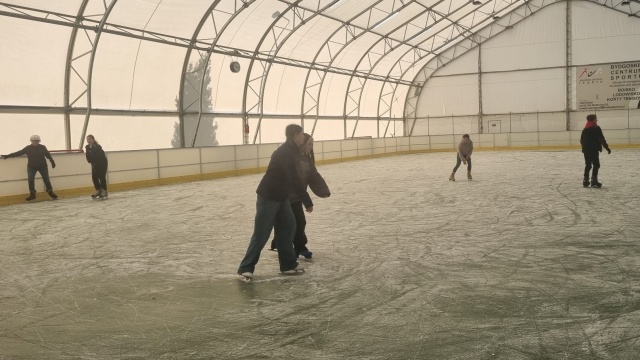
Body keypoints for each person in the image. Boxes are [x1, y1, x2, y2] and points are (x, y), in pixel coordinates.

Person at [237, 124, 313, 281]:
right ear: (294, 135)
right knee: (262, 233)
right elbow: (293, 178)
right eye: (300, 134)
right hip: (269, 196)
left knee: (288, 227)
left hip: (282, 196)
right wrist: (306, 200)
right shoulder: (285, 153)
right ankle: (245, 268)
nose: (303, 137)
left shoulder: (292, 151)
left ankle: (287, 264)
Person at [269, 133, 331, 259]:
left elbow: (314, 175)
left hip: (297, 196)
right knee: (289, 223)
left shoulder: (307, 158)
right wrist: (306, 200)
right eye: (309, 144)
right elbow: (291, 178)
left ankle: (299, 246)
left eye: (312, 144)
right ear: (302, 143)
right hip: (284, 196)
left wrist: (323, 190)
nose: (311, 146)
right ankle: (285, 246)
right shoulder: (292, 157)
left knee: (300, 222)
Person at [1, 135, 58, 201]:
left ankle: (50, 191)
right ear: (31, 141)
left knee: (46, 179)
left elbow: (48, 155)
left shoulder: (42, 147)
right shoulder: (28, 148)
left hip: (43, 166)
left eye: (36, 141)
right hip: (31, 167)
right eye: (33, 141)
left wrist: (52, 162)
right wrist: (8, 156)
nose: (35, 142)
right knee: (30, 179)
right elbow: (19, 153)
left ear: (39, 141)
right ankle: (32, 193)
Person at [581, 114, 611, 188]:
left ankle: (585, 180)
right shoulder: (596, 128)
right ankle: (594, 180)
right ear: (593, 120)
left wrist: (584, 148)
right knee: (596, 164)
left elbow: (581, 140)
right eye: (596, 119)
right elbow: (600, 138)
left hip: (586, 149)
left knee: (588, 164)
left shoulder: (585, 129)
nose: (597, 120)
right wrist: (606, 147)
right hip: (593, 149)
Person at [85, 135, 109, 199]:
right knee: (94, 177)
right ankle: (98, 190)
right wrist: (91, 162)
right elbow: (88, 156)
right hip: (94, 164)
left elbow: (99, 156)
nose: (88, 141)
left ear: (93, 139)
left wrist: (97, 164)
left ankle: (104, 191)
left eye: (90, 139)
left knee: (101, 177)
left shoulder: (97, 147)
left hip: (102, 164)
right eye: (87, 139)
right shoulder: (87, 147)